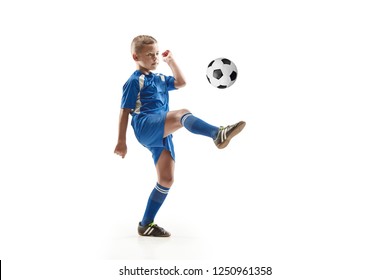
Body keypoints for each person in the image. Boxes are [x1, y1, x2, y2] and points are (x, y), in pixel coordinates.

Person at [114, 35, 246, 237]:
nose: (155, 58)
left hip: (161, 130)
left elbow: (181, 82)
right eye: (150, 55)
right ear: (135, 56)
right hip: (146, 125)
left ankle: (146, 224)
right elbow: (124, 111)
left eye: (156, 53)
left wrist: (170, 61)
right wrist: (121, 141)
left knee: (166, 179)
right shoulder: (134, 81)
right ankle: (217, 133)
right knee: (181, 114)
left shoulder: (158, 78)